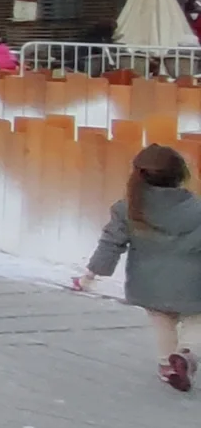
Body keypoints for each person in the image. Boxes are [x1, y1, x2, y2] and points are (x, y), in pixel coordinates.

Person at [74, 146, 201, 391]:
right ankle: (188, 355)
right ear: (181, 174)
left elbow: (111, 244)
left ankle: (167, 365)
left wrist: (89, 276)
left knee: (162, 320)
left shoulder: (128, 209)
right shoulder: (197, 209)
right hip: (194, 283)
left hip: (149, 284)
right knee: (196, 321)